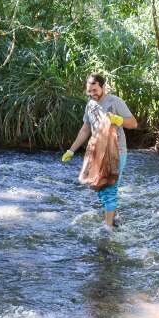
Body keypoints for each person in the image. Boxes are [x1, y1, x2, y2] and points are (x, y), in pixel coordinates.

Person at [61, 73, 137, 230]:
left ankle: (108, 229)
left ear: (103, 87)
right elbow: (85, 129)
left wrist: (119, 120)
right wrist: (71, 150)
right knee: (99, 186)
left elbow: (133, 123)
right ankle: (114, 215)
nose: (92, 94)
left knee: (110, 188)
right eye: (89, 91)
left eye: (95, 90)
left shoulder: (115, 101)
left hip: (117, 151)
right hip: (97, 151)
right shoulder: (90, 104)